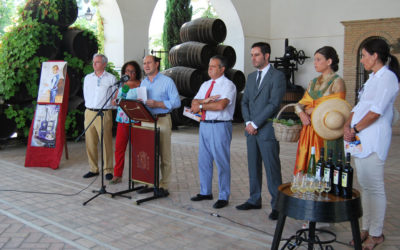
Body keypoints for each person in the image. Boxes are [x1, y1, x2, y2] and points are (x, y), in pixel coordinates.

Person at [344, 38, 399, 250]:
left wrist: (354, 129)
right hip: (360, 140)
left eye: (364, 55)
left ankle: (376, 234)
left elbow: (376, 111)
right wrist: (348, 126)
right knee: (365, 186)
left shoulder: (388, 78)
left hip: (374, 138)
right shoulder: (372, 78)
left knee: (375, 187)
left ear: (375, 56)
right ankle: (365, 227)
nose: (362, 59)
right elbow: (358, 106)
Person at [237, 42, 286, 220]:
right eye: (251, 55)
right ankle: (254, 199)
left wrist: (255, 124)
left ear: (266, 56)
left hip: (266, 131)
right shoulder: (250, 77)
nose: (253, 58)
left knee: (272, 168)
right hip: (251, 131)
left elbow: (274, 104)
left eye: (256, 55)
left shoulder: (277, 77)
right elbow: (244, 102)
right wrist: (248, 122)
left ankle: (278, 206)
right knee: (253, 166)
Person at [190, 55, 237, 209]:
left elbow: (220, 106)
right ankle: (205, 191)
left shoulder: (228, 85)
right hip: (204, 125)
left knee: (221, 161)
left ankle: (224, 196)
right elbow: (194, 102)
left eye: (213, 66)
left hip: (220, 125)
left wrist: (202, 105)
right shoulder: (205, 85)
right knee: (203, 160)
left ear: (222, 69)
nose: (209, 69)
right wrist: (205, 101)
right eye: (209, 66)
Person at [293, 46, 346, 175]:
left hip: (327, 130)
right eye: (314, 60)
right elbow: (299, 104)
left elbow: (337, 109)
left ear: (329, 61)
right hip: (309, 129)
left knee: (326, 165)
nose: (315, 63)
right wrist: (301, 113)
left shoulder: (337, 82)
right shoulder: (313, 82)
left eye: (318, 59)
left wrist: (311, 110)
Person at [139, 55, 181, 197]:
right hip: (147, 120)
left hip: (162, 119)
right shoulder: (143, 82)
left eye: (149, 62)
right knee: (149, 154)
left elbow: (176, 102)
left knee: (164, 154)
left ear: (156, 64)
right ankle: (150, 183)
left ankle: (163, 185)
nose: (146, 66)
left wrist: (158, 104)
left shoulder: (167, 81)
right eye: (144, 63)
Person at [82, 54, 117, 181]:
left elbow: (115, 98)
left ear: (104, 64)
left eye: (97, 62)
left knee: (106, 142)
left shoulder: (111, 79)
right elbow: (86, 94)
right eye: (93, 62)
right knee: (90, 142)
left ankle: (108, 169)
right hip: (89, 112)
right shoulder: (87, 78)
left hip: (104, 113)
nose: (94, 64)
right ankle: (93, 168)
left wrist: (111, 106)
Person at [109, 61, 142, 184]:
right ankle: (117, 175)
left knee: (137, 149)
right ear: (124, 73)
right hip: (122, 120)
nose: (130, 73)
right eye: (127, 71)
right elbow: (116, 100)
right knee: (119, 148)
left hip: (136, 120)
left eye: (132, 71)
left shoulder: (141, 84)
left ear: (136, 72)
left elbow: (144, 99)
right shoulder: (123, 85)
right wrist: (114, 101)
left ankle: (138, 175)